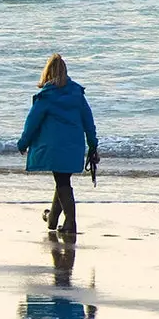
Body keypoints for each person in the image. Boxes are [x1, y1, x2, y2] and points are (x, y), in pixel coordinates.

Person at [16, 52, 99, 237]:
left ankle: (71, 222)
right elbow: (89, 121)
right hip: (74, 147)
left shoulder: (46, 96)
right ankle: (52, 218)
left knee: (62, 182)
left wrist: (23, 143)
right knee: (62, 180)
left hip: (54, 149)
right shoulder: (77, 94)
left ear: (47, 73)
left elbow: (32, 123)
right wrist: (93, 144)